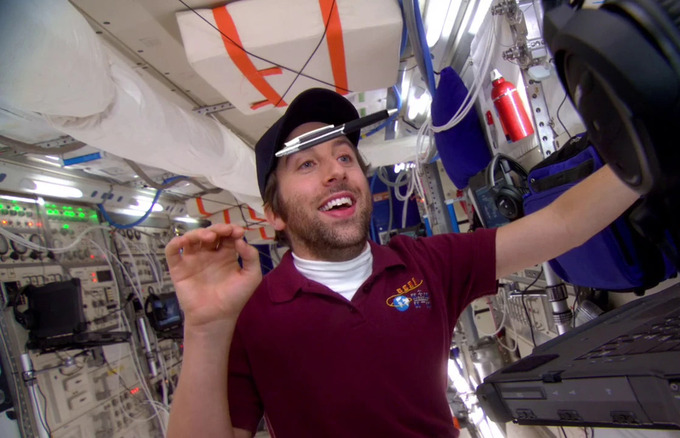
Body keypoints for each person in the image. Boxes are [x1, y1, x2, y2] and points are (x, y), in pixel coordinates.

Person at [165, 88, 638, 437]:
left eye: (345, 156)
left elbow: (563, 223)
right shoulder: (249, 318)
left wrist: (649, 155)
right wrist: (206, 328)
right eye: (306, 165)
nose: (335, 172)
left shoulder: (427, 264)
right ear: (274, 215)